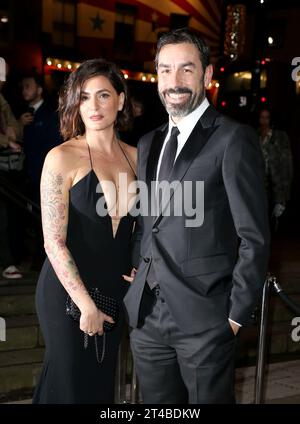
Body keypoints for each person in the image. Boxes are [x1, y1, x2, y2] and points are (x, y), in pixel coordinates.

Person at [123, 28, 270, 404]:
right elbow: (148, 220)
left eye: (187, 70)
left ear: (206, 75)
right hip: (147, 320)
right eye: (166, 70)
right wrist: (139, 266)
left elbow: (253, 236)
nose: (175, 81)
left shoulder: (232, 139)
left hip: (206, 319)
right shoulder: (148, 142)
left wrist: (236, 314)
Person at [33, 59, 137, 404]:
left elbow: (145, 228)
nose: (93, 106)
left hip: (114, 289)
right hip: (67, 294)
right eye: (84, 97)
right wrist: (85, 305)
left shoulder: (140, 159)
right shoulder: (62, 158)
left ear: (120, 100)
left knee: (100, 390)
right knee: (70, 387)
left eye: (104, 95)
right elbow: (54, 241)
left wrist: (142, 261)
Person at [20, 74, 62, 204]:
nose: (24, 90)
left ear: (39, 90)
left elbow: (54, 146)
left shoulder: (51, 114)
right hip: (26, 175)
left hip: (43, 175)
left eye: (28, 86)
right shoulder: (23, 113)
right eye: (23, 87)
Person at [0, 61, 23, 279]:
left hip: (4, 169)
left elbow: (15, 128)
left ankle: (8, 261)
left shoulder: (2, 99)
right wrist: (7, 140)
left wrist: (11, 135)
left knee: (5, 216)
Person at [258, 107, 293, 222]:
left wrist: (284, 195)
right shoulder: (255, 136)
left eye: (266, 117)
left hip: (276, 186)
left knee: (273, 221)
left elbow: (287, 165)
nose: (264, 120)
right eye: (262, 117)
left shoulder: (280, 137)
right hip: (260, 185)